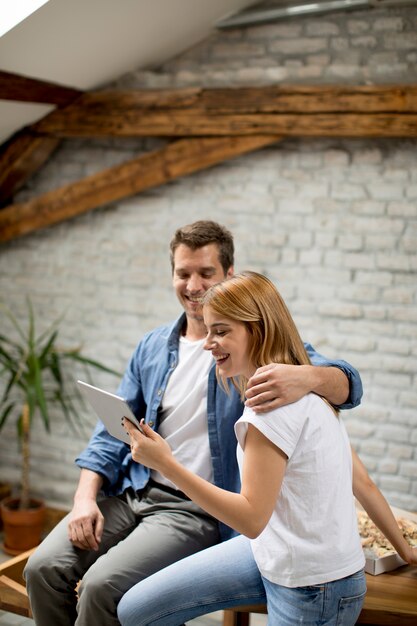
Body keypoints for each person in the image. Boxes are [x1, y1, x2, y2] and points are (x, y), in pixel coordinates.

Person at [24, 221, 363, 626]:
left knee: (102, 589)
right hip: (135, 491)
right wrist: (84, 499)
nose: (193, 285)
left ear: (229, 276)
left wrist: (308, 376)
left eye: (206, 273)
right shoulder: (152, 346)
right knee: (42, 568)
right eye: (183, 273)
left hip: (195, 509)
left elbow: (347, 383)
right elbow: (110, 434)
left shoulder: (252, 348)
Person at [118, 271, 417, 626]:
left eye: (222, 331)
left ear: (257, 330)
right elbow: (363, 482)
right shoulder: (304, 388)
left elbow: (251, 519)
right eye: (209, 329)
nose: (208, 343)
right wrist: (406, 551)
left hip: (314, 587)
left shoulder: (271, 410)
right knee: (134, 609)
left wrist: (167, 465)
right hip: (268, 554)